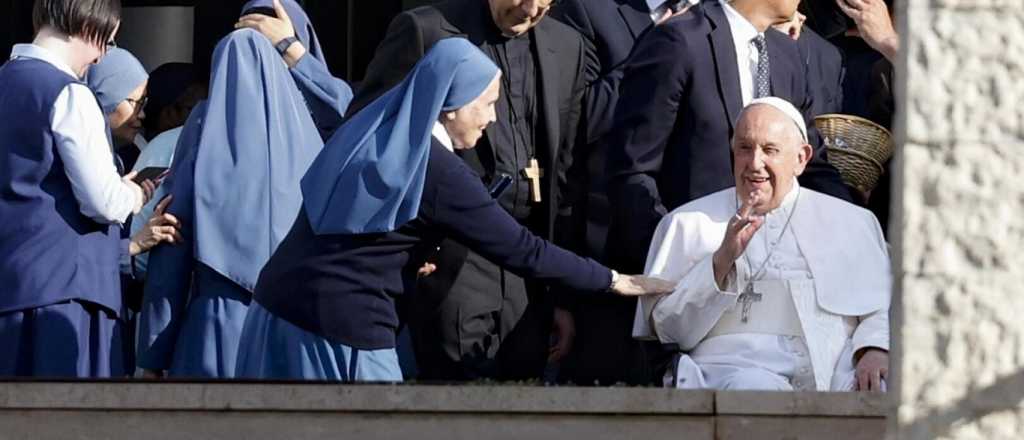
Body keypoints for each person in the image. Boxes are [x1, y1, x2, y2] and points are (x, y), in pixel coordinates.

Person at [235, 38, 674, 382]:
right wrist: (612, 280)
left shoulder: (375, 132)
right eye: (487, 104)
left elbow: (357, 232)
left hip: (275, 312)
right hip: (339, 329)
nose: (492, 119)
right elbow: (523, 250)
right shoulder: (438, 169)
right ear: (451, 105)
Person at [351, 0, 592, 381]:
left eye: (545, 3)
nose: (530, 10)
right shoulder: (425, 31)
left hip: (530, 268)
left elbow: (567, 177)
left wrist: (563, 297)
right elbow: (367, 141)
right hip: (452, 260)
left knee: (523, 395)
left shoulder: (567, 46)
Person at [633, 98, 890, 392]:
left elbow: (883, 306)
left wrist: (875, 348)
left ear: (801, 158)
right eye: (745, 148)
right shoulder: (686, 224)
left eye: (770, 150)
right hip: (733, 372)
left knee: (884, 385)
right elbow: (668, 331)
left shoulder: (852, 222)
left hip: (835, 371)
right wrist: (720, 263)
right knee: (754, 389)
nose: (755, 164)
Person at [602, 0, 854, 278]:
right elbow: (632, 169)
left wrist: (855, 227)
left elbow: (811, 164)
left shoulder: (788, 55)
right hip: (683, 271)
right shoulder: (679, 41)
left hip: (769, 275)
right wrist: (678, 259)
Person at [135, 24, 328, 378]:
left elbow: (173, 238)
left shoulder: (204, 125)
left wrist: (152, 355)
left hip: (217, 327)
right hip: (295, 329)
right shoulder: (309, 134)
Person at [0, 0, 158, 377]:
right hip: (64, 293)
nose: (102, 57)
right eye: (108, 41)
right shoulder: (69, 93)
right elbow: (104, 204)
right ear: (88, 28)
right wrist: (134, 194)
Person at [549, 0, 694, 385]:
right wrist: (653, 54)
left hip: (692, 248)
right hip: (608, 251)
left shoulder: (716, 18)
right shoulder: (587, 11)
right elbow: (576, 119)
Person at [86, 46, 183, 373]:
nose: (142, 114)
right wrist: (132, 246)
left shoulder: (111, 162)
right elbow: (69, 250)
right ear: (105, 98)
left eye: (145, 103)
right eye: (134, 102)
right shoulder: (77, 171)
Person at [235, 0, 353, 139]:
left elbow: (349, 118)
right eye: (252, 43)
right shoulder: (229, 97)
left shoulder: (321, 101)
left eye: (272, 46)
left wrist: (289, 47)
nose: (265, 55)